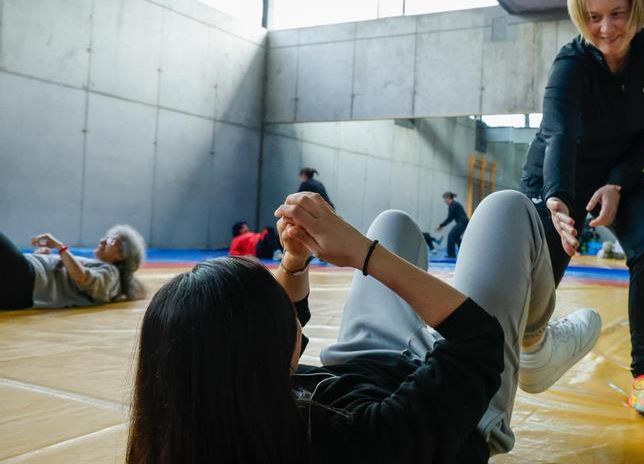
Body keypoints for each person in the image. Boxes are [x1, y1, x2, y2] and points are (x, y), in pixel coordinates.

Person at [127, 190, 601, 462]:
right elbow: (478, 340)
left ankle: (530, 341)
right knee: (507, 209)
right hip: (463, 403)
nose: (282, 296)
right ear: (268, 353)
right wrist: (362, 253)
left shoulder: (215, 415)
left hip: (367, 377)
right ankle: (535, 345)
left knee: (391, 222)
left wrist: (295, 262)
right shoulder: (362, 445)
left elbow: (267, 334)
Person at [519, 0, 644, 419]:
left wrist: (618, 182)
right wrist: (558, 199)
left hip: (619, 170)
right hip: (561, 169)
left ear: (638, 7)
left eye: (617, 14)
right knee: (538, 272)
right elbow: (559, 135)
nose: (606, 29)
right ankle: (507, 354)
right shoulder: (570, 65)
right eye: (592, 17)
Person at [0, 225, 146, 310]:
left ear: (121, 255)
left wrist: (59, 246)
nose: (102, 241)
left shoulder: (112, 275)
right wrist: (46, 256)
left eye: (111, 241)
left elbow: (83, 278)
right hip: (23, 289)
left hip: (27, 282)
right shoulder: (104, 270)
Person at [435, 191, 469, 258]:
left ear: (448, 198)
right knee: (456, 238)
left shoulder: (453, 205)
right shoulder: (454, 204)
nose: (444, 201)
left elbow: (450, 218)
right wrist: (442, 225)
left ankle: (452, 255)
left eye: (444, 199)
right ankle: (464, 254)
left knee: (451, 236)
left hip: (462, 223)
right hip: (464, 223)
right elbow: (451, 218)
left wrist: (440, 225)